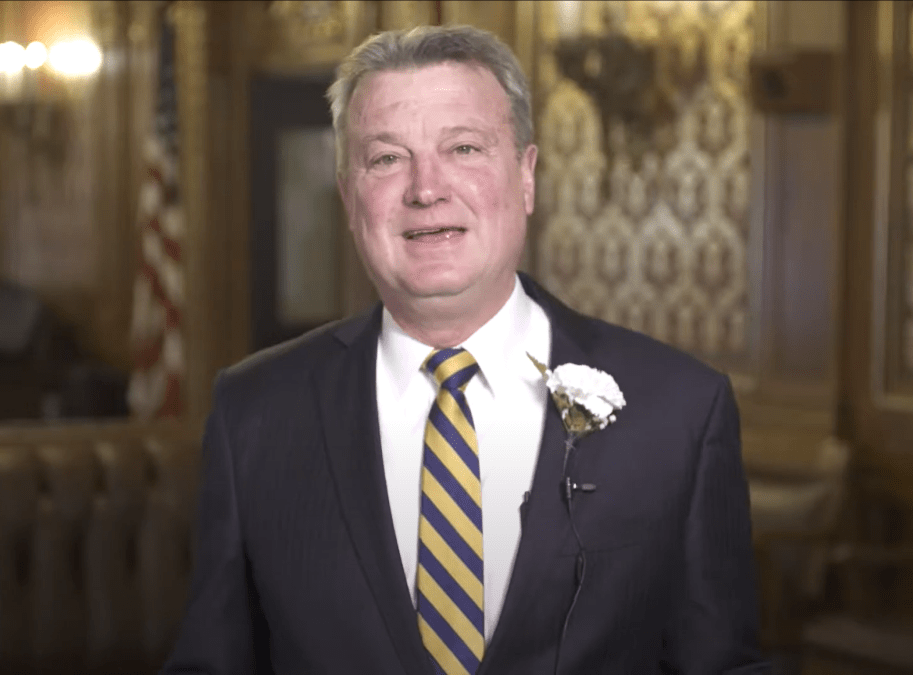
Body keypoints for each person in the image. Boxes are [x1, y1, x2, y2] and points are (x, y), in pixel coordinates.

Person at [161, 25, 769, 675]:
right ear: (348, 196)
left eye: (464, 148)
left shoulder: (676, 410)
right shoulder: (254, 413)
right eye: (386, 158)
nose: (427, 188)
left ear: (527, 176)